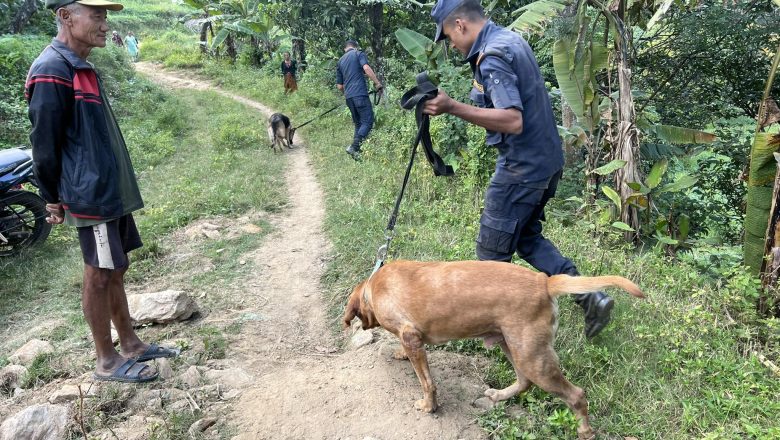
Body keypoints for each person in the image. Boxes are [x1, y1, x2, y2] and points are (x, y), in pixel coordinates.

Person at [424, 0, 615, 338]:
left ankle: (498, 332)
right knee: (527, 239)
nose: (451, 45)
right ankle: (590, 296)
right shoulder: (510, 40)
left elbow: (512, 119)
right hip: (545, 162)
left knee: (490, 256)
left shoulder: (493, 55)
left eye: (449, 37)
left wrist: (452, 106)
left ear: (460, 24)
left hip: (521, 168)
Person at [26, 0, 179, 383]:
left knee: (117, 266)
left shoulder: (82, 66)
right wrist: (51, 196)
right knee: (99, 272)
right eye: (96, 15)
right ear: (65, 16)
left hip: (107, 190)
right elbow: (44, 144)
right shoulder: (51, 70)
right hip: (89, 194)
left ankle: (130, 344)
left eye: (105, 15)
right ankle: (107, 361)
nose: (104, 23)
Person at [336, 39, 382, 160]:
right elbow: (366, 68)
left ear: (345, 49)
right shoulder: (358, 54)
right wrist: (377, 83)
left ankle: (357, 153)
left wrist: (349, 93)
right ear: (355, 47)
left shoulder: (340, 61)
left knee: (358, 123)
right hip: (360, 94)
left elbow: (340, 86)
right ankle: (354, 147)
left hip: (349, 97)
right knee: (368, 121)